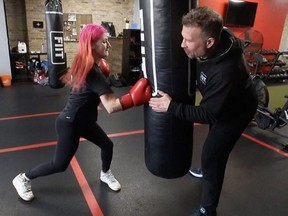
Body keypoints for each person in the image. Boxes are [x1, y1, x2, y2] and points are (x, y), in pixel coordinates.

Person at [12, 24, 152, 201]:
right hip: (70, 123)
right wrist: (132, 99)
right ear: (92, 45)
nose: (108, 45)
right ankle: (23, 178)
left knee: (107, 145)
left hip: (84, 121)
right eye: (105, 41)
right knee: (59, 165)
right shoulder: (93, 72)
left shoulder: (85, 64)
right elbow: (110, 106)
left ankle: (105, 173)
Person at [149, 6, 258, 216]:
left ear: (209, 42)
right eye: (183, 37)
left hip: (236, 111)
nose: (182, 44)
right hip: (219, 100)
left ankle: (208, 210)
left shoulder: (226, 72)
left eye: (188, 40)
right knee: (212, 141)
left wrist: (171, 106)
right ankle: (208, 170)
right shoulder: (212, 40)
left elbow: (208, 114)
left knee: (212, 154)